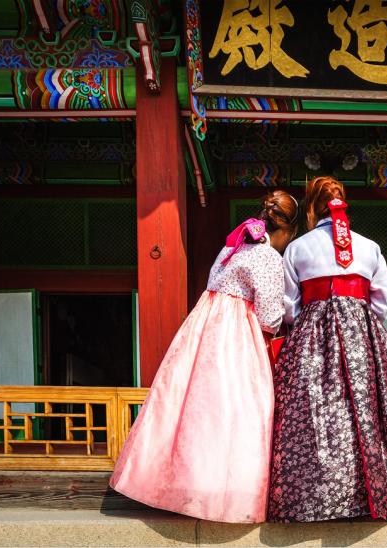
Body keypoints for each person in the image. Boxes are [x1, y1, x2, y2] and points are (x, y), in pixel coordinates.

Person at [110, 190, 298, 524]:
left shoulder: (232, 246)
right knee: (239, 407)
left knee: (194, 405)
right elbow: (270, 315)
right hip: (239, 333)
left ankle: (179, 483)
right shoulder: (268, 257)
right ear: (289, 230)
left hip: (205, 327)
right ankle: (225, 494)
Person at [268, 176, 387, 523]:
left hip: (311, 339)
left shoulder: (298, 248)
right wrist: (358, 317)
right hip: (364, 337)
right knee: (372, 410)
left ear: (313, 206)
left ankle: (316, 499)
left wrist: (313, 319)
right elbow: (385, 301)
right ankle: (379, 495)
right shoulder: (369, 246)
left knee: (314, 413)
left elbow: (288, 305)